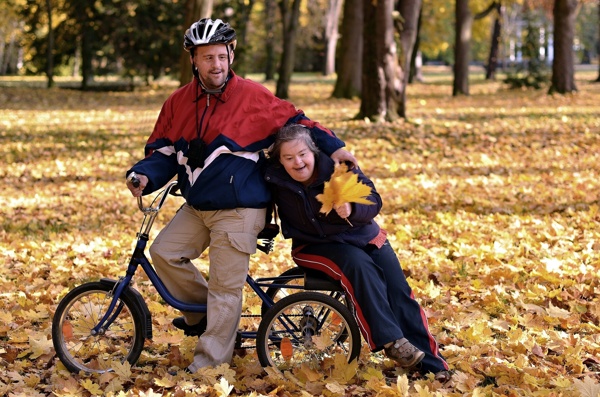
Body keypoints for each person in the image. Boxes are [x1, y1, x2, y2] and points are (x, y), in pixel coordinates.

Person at [125, 18, 356, 373]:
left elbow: (300, 122)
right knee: (165, 253)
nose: (215, 65)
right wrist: (143, 175)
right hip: (198, 204)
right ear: (194, 60)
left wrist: (336, 148)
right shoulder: (177, 103)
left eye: (221, 56)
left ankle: (210, 365)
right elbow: (164, 151)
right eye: (207, 58)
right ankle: (209, 319)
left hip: (242, 208)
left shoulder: (253, 97)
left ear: (231, 55)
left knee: (224, 287)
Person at [264, 124, 451, 382]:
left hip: (365, 238)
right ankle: (391, 341)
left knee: (399, 293)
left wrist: (352, 207)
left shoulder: (338, 169)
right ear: (280, 161)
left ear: (313, 152)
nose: (298, 162)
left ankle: (433, 365)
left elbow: (373, 200)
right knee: (358, 266)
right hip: (314, 245)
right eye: (289, 158)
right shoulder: (274, 179)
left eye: (303, 154)